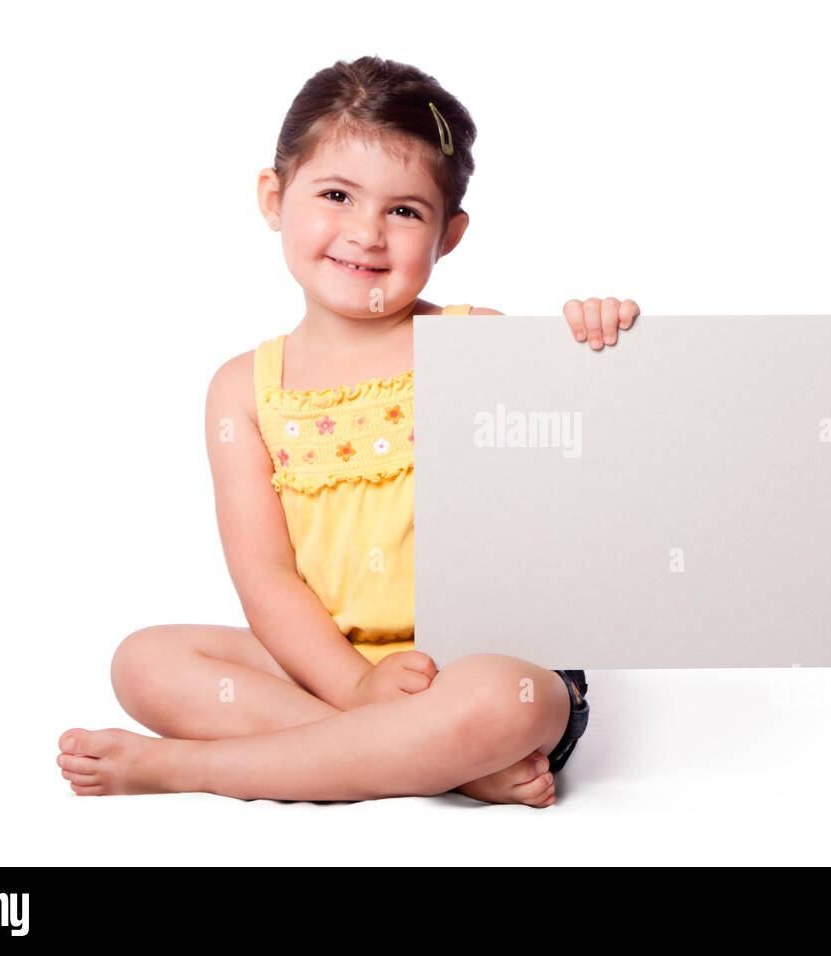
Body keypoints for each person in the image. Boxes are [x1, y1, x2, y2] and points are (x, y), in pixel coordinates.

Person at [55, 56, 639, 806]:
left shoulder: (481, 346)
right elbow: (265, 578)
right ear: (274, 196)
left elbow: (592, 471)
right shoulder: (244, 390)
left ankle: (190, 768)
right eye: (336, 195)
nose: (365, 233)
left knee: (500, 702)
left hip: (477, 665)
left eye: (405, 211)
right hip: (330, 667)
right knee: (144, 662)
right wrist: (357, 685)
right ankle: (428, 758)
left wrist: (596, 353)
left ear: (449, 235)